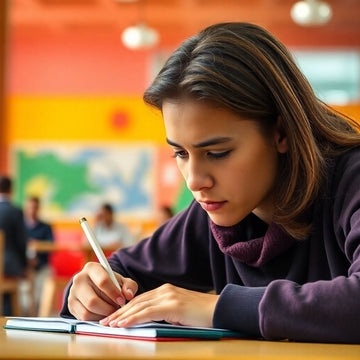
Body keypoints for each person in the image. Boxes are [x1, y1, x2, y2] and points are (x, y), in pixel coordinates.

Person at [60, 23, 360, 344]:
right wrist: (89, 291)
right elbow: (121, 271)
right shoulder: (215, 210)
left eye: (217, 152)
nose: (195, 180)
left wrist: (218, 307)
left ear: (281, 133)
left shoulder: (351, 178)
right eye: (180, 152)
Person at [0, 176, 27, 315]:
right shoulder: (15, 211)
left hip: (5, 266)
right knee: (9, 296)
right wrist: (24, 266)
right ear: (11, 189)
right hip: (9, 266)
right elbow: (22, 242)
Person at [24, 196, 54, 309]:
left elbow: (51, 246)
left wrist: (37, 246)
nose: (32, 210)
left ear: (38, 208)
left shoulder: (46, 227)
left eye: (35, 207)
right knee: (24, 301)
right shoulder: (21, 226)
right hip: (25, 267)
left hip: (42, 266)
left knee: (42, 298)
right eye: (30, 207)